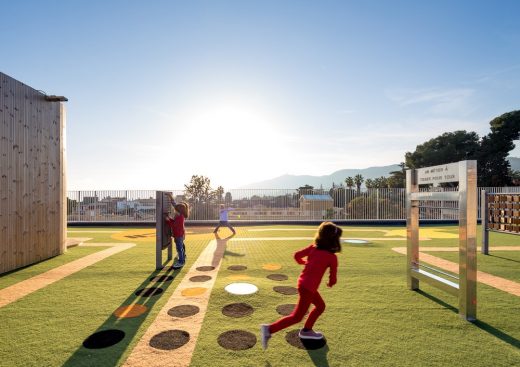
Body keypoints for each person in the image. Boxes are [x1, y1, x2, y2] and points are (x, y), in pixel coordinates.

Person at [260, 221, 342, 350]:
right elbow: (333, 278)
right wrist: (331, 283)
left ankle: (307, 330)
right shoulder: (332, 257)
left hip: (303, 284)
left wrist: (303, 262)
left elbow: (297, 255)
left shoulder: (313, 248)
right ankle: (269, 329)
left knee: (320, 306)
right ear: (334, 240)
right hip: (308, 289)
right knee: (296, 317)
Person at [164, 193, 190, 269]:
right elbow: (175, 205)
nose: (174, 211)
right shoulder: (180, 214)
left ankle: (181, 261)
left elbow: (174, 225)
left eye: (176, 211)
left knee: (179, 248)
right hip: (180, 234)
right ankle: (183, 255)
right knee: (181, 246)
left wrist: (168, 220)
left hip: (178, 234)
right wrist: (170, 197)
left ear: (179, 211)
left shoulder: (179, 217)